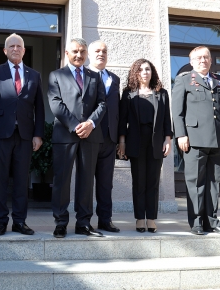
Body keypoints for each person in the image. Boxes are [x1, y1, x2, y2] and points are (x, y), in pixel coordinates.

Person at [0, 33, 44, 236]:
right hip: (0, 133)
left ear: (24, 50)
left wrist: (38, 134)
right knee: (0, 178)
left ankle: (19, 221)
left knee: (21, 179)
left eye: (19, 46)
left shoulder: (34, 75)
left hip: (26, 135)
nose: (15, 49)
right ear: (5, 50)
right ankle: (1, 220)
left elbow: (40, 107)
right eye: (12, 46)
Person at [171, 46, 220, 236]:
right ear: (191, 62)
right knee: (196, 182)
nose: (202, 60)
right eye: (198, 58)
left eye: (206, 57)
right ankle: (197, 222)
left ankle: (213, 221)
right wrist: (181, 134)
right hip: (194, 140)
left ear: (211, 60)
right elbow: (177, 111)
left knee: (214, 182)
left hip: (218, 139)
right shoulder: (184, 80)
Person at [48, 37, 106, 238]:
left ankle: (83, 223)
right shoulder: (56, 75)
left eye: (82, 51)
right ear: (67, 53)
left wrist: (90, 123)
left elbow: (102, 104)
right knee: (62, 180)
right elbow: (55, 103)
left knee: (86, 181)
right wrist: (75, 125)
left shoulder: (94, 76)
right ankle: (60, 222)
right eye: (75, 51)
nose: (79, 55)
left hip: (90, 135)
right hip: (65, 136)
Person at [118, 59, 172, 233]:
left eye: (147, 69)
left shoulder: (161, 93)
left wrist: (168, 140)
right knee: (139, 181)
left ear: (152, 72)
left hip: (156, 142)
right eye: (140, 70)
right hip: (136, 141)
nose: (144, 72)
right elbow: (122, 121)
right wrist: (122, 142)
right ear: (136, 73)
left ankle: (151, 218)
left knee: (153, 182)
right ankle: (140, 218)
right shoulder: (128, 94)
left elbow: (166, 120)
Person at [86, 40, 120, 233]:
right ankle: (86, 220)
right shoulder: (84, 75)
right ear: (90, 54)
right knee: (87, 182)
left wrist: (120, 137)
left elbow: (118, 109)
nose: (101, 54)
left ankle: (105, 220)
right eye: (97, 51)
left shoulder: (114, 78)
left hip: (109, 137)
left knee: (106, 183)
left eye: (104, 51)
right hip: (90, 137)